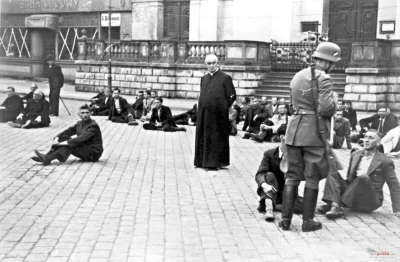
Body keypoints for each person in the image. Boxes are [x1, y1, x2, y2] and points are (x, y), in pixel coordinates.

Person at [281, 42, 340, 232]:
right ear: (329, 61)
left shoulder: (297, 75)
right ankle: (307, 222)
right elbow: (325, 108)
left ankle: (285, 221)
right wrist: (335, 102)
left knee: (292, 177)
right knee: (312, 176)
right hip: (313, 133)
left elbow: (292, 105)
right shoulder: (324, 77)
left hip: (294, 130)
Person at [318, 130, 400, 219]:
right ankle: (335, 204)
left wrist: (397, 209)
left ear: (378, 142)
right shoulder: (355, 154)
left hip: (368, 200)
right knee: (332, 172)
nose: (366, 140)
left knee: (364, 177)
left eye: (371, 138)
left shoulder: (385, 161)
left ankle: (336, 204)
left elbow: (394, 185)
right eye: (365, 137)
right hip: (352, 195)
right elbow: (349, 178)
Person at [194, 54, 236, 170]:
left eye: (213, 63)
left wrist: (223, 107)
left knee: (215, 137)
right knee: (203, 136)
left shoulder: (225, 77)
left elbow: (232, 96)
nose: (211, 66)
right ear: (205, 65)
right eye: (209, 63)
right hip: (204, 114)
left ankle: (215, 162)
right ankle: (201, 161)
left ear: (217, 64)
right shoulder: (204, 78)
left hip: (218, 115)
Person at [255, 124, 303, 222]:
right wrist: (264, 185)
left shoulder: (297, 155)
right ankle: (269, 210)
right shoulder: (269, 154)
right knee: (269, 175)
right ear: (282, 137)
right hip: (272, 189)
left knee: (306, 206)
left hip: (288, 193)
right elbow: (260, 174)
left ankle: (270, 205)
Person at [32, 104, 103, 166]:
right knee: (64, 137)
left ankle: (47, 158)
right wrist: (57, 137)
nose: (85, 115)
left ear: (90, 113)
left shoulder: (93, 125)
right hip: (84, 148)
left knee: (71, 144)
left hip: (93, 153)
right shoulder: (79, 123)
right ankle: (46, 157)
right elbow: (68, 131)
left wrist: (61, 144)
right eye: (82, 113)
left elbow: (81, 138)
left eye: (87, 113)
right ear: (79, 114)